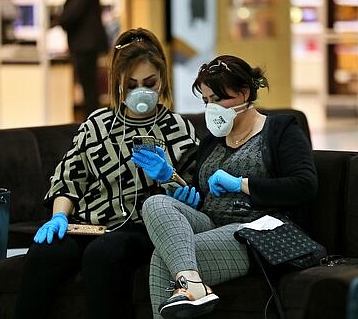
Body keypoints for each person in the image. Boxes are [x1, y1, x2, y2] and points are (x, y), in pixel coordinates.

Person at [13, 27, 199, 319]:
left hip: (141, 227)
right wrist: (60, 215)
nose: (142, 91)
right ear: (118, 84)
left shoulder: (178, 129)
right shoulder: (97, 124)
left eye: (150, 83)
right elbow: (69, 176)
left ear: (162, 80)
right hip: (90, 223)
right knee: (45, 253)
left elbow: (193, 192)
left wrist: (171, 178)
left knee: (103, 255)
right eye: (132, 84)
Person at [133, 55, 318, 318]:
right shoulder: (211, 142)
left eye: (219, 99)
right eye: (207, 100)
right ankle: (194, 285)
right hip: (212, 223)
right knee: (155, 202)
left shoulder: (280, 129)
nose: (212, 107)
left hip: (255, 231)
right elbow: (201, 197)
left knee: (163, 258)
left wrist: (241, 184)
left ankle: (192, 285)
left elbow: (305, 185)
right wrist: (170, 179)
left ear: (243, 93)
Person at [59, 0, 109, 117]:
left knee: (89, 89)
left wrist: (61, 20)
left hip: (86, 44)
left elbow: (75, 11)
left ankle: (93, 123)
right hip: (85, 44)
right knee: (89, 87)